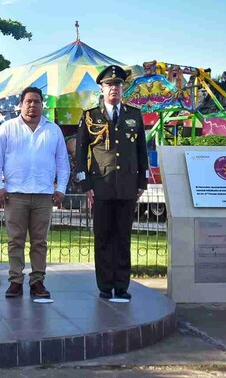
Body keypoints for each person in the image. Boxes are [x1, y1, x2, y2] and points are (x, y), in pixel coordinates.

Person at [0, 86, 70, 298]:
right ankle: (15, 281)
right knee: (15, 240)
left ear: (43, 105)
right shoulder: (7, 128)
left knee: (39, 242)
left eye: (36, 101)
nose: (32, 105)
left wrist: (61, 188)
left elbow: (62, 162)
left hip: (44, 195)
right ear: (21, 104)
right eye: (28, 101)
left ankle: (37, 282)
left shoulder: (53, 130)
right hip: (14, 195)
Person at [75, 65, 148, 300]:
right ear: (102, 88)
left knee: (123, 236)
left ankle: (122, 285)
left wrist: (142, 182)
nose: (113, 89)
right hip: (101, 186)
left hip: (127, 186)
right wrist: (86, 185)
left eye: (117, 85)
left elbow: (141, 151)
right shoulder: (90, 116)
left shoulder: (134, 114)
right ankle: (105, 286)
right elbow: (80, 154)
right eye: (109, 85)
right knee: (104, 236)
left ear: (122, 88)